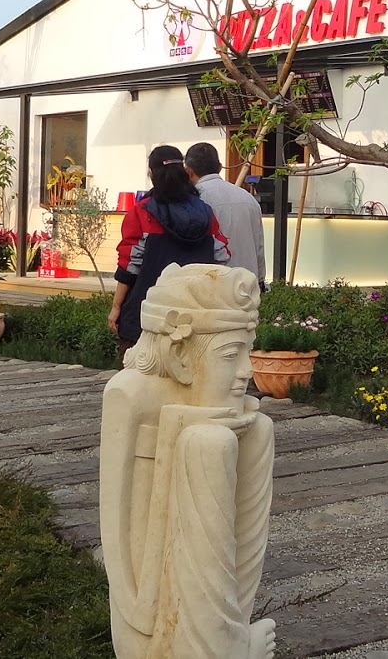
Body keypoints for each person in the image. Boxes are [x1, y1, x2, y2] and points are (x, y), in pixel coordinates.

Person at [99, 263, 276, 659]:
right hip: (150, 616)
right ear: (179, 355)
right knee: (208, 442)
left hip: (191, 604)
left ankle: (231, 627)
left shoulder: (228, 409)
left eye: (247, 352)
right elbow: (117, 531)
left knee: (259, 429)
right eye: (231, 355)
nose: (247, 371)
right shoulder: (130, 394)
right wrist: (137, 611)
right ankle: (218, 647)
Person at [109, 144, 231, 359]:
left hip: (146, 311)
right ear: (184, 172)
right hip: (195, 311)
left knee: (139, 371)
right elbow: (222, 257)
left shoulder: (142, 212)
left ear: (151, 174)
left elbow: (129, 265)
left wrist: (117, 307)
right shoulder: (205, 211)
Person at [185, 142, 266, 289]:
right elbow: (258, 247)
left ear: (189, 171)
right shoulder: (248, 198)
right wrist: (260, 281)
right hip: (247, 287)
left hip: (212, 288)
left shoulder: (193, 200)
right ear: (220, 167)